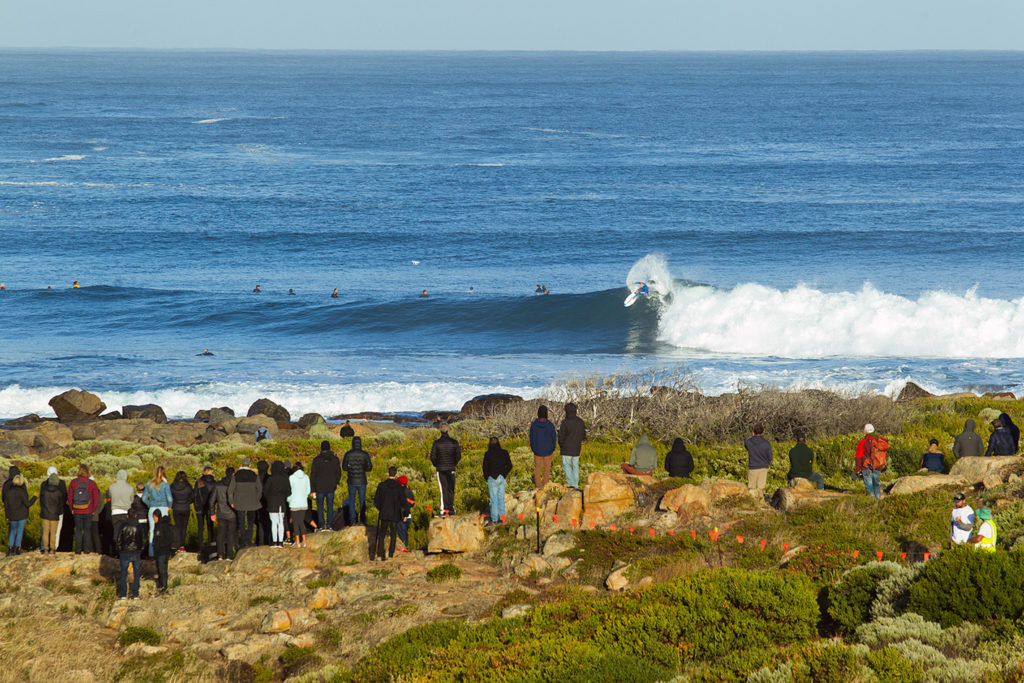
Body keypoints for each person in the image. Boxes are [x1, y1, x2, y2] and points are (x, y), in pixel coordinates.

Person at [373, 467, 409, 561]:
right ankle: (390, 554)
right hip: (395, 513)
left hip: (384, 512)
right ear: (396, 474)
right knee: (393, 534)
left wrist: (380, 508)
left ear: (388, 473)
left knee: (382, 534)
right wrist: (406, 514)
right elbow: (403, 502)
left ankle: (380, 554)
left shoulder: (381, 485)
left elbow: (376, 500)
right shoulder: (399, 487)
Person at [429, 423, 461, 516]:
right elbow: (458, 456)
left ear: (439, 431)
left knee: (443, 489)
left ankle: (444, 510)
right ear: (449, 430)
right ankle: (451, 509)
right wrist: (453, 464)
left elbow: (432, 457)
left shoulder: (436, 443)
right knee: (451, 489)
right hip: (451, 468)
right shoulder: (454, 442)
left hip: (441, 469)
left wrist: (437, 465)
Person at [228, 458, 262, 548]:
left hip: (239, 502)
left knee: (241, 522)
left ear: (241, 465)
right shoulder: (255, 475)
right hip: (252, 503)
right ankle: (249, 540)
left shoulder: (235, 476)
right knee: (251, 522)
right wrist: (256, 499)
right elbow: (259, 490)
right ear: (250, 465)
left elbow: (230, 491)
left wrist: (231, 501)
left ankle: (243, 541)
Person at [67, 464, 100, 553]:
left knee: (78, 530)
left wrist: (71, 509)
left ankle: (77, 550)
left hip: (77, 509)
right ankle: (86, 550)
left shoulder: (73, 482)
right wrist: (94, 510)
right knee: (87, 530)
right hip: (88, 510)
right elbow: (96, 498)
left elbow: (69, 497)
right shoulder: (92, 483)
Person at [310, 441, 342, 529]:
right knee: (330, 507)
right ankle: (329, 525)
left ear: (321, 448)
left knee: (320, 507)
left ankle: (321, 525)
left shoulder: (316, 460)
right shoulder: (335, 460)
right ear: (329, 448)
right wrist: (335, 483)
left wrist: (312, 489)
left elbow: (313, 475)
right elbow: (338, 473)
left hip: (319, 487)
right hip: (331, 487)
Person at [342, 437, 373, 525]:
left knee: (351, 501)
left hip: (351, 480)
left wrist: (350, 469)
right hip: (362, 481)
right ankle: (362, 520)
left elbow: (344, 467)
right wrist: (363, 469)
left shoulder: (348, 454)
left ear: (352, 443)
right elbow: (369, 467)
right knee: (362, 501)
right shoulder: (365, 454)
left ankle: (352, 521)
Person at [115, 509, 146, 599]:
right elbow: (143, 540)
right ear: (136, 515)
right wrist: (140, 550)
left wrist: (120, 550)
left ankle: (123, 594)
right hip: (136, 552)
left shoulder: (123, 526)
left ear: (127, 515)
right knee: (136, 574)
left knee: (123, 574)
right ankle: (135, 594)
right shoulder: (139, 526)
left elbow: (119, 540)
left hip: (124, 552)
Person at [142, 466, 172, 556]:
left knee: (152, 530)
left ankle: (151, 553)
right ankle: (162, 552)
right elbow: (169, 498)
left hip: (152, 508)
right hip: (163, 508)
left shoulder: (149, 484)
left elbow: (144, 498)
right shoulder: (165, 485)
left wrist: (150, 504)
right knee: (163, 530)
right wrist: (169, 506)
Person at [482, 437, 512, 524]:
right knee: (501, 499)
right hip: (501, 478)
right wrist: (504, 474)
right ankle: (502, 518)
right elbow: (509, 465)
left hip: (492, 478)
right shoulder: (504, 453)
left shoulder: (487, 454)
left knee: (493, 499)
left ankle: (494, 519)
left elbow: (484, 467)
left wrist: (487, 477)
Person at [3, 473, 33, 556]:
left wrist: (7, 516)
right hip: (22, 515)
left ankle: (10, 548)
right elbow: (27, 504)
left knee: (13, 531)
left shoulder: (8, 493)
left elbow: (6, 506)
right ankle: (17, 548)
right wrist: (34, 498)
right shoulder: (22, 492)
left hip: (12, 515)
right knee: (20, 531)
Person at [557, 403, 586, 489]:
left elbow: (561, 436)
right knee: (575, 465)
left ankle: (571, 483)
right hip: (577, 448)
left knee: (566, 465)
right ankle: (576, 484)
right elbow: (584, 435)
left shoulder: (565, 422)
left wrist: (561, 445)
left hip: (566, 448)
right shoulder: (580, 422)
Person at [210, 468, 236, 560]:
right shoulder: (234, 485)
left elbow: (212, 501)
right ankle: (229, 555)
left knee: (220, 534)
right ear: (233, 474)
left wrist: (212, 513)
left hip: (221, 513)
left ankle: (220, 555)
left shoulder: (218, 485)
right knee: (230, 534)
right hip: (232, 514)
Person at [263, 461, 291, 548]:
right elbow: (289, 492)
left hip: (272, 502)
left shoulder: (271, 478)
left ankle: (275, 542)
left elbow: (265, 491)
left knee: (274, 522)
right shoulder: (285, 478)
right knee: (281, 522)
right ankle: (281, 542)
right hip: (282, 502)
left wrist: (269, 498)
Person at [39, 466, 67, 554]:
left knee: (45, 531)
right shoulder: (61, 483)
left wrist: (43, 509)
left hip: (45, 512)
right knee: (56, 531)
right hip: (58, 512)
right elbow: (64, 498)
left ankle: (44, 547)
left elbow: (41, 499)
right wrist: (60, 509)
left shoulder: (44, 484)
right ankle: (54, 547)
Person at [529, 406, 558, 489]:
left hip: (537, 451)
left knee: (537, 469)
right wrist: (552, 448)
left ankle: (538, 487)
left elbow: (531, 439)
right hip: (548, 451)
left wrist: (534, 449)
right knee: (547, 469)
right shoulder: (550, 425)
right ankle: (545, 486)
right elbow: (554, 438)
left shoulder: (534, 425)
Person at [855, 424, 886, 500]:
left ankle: (870, 504)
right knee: (876, 484)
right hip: (878, 466)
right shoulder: (880, 442)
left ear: (865, 431)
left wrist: (858, 469)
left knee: (869, 487)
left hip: (866, 467)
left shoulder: (862, 442)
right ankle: (878, 503)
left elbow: (858, 457)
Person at [744, 425, 773, 497]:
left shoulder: (748, 442)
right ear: (762, 433)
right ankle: (759, 502)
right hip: (763, 467)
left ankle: (752, 503)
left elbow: (746, 445)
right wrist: (767, 463)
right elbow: (770, 456)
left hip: (753, 467)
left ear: (753, 432)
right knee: (761, 488)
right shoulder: (766, 443)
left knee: (751, 488)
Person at [168, 470, 193, 552]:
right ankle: (182, 545)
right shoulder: (188, 486)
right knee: (184, 527)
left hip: (176, 508)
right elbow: (192, 497)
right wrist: (188, 502)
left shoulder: (172, 486)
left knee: (177, 527)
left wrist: (172, 504)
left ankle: (178, 545)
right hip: (185, 508)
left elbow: (170, 497)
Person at [288, 461, 311, 548]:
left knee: (295, 523)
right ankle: (304, 541)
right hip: (303, 502)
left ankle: (297, 541)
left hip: (294, 503)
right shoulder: (306, 477)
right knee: (301, 522)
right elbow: (308, 491)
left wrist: (288, 500)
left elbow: (289, 491)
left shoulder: (291, 478)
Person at [193, 467, 217, 550]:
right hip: (210, 507)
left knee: (200, 527)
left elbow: (195, 494)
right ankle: (211, 545)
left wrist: (196, 505)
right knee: (210, 527)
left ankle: (200, 546)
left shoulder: (199, 482)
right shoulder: (215, 483)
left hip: (200, 507)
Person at [107, 469, 134, 540]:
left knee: (116, 532)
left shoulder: (112, 487)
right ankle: (124, 548)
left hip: (115, 512)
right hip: (126, 512)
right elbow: (132, 500)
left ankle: (116, 548)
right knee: (125, 532)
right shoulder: (130, 488)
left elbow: (110, 496)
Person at [151, 509, 173, 593]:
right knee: (160, 569)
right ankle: (161, 585)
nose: (153, 519)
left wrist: (161, 546)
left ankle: (164, 587)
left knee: (162, 569)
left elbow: (166, 539)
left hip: (163, 551)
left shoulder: (162, 526)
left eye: (154, 517)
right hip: (159, 551)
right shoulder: (157, 525)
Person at [396, 475, 415, 551]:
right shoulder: (409, 491)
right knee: (405, 533)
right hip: (409, 516)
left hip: (401, 516)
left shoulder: (398, 492)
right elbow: (413, 503)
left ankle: (403, 549)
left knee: (401, 534)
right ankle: (406, 548)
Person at [130, 482, 150, 554]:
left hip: (137, 519)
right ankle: (145, 552)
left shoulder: (134, 498)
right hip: (145, 519)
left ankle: (138, 551)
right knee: (145, 536)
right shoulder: (146, 498)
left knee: (137, 537)